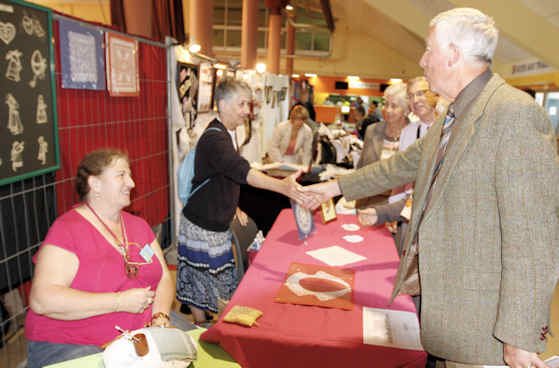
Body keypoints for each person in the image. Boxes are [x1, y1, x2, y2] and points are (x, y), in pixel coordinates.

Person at [303, 8, 558, 368]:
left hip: (484, 335)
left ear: (453, 55)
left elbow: (535, 242)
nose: (422, 60)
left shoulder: (513, 115)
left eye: (429, 50)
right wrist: (333, 188)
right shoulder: (451, 118)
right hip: (444, 316)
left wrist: (519, 338)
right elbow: (399, 166)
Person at [178, 77, 312, 324]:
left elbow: (223, 176)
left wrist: (234, 205)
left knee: (213, 282)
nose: (246, 112)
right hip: (201, 225)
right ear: (223, 104)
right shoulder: (215, 138)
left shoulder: (227, 134)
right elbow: (243, 172)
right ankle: (201, 327)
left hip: (214, 223)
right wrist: (283, 187)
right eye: (241, 105)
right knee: (200, 283)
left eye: (247, 105)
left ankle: (207, 325)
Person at [25, 149, 174, 367]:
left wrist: (161, 317)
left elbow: (163, 279)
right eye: (121, 175)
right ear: (94, 184)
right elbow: (42, 299)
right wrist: (119, 302)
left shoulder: (138, 226)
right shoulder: (67, 230)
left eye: (129, 174)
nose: (131, 183)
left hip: (138, 336)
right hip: (70, 343)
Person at [358, 76, 438, 256]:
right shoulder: (409, 132)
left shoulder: (449, 128)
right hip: (404, 212)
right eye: (411, 96)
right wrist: (392, 212)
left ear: (435, 94)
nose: (416, 100)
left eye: (421, 93)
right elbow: (399, 177)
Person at [355, 82, 409, 211]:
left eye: (394, 106)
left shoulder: (416, 134)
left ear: (406, 110)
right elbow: (361, 167)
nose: (388, 110)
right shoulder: (372, 131)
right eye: (386, 105)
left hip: (398, 207)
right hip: (368, 203)